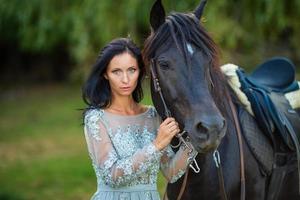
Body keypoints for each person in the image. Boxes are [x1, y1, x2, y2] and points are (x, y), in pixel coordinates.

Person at [82, 37, 197, 200]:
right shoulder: (96, 118)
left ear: (140, 72)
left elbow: (171, 172)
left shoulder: (152, 115)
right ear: (105, 74)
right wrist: (157, 145)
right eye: (116, 71)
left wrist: (196, 138)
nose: (125, 79)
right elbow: (112, 176)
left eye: (131, 70)